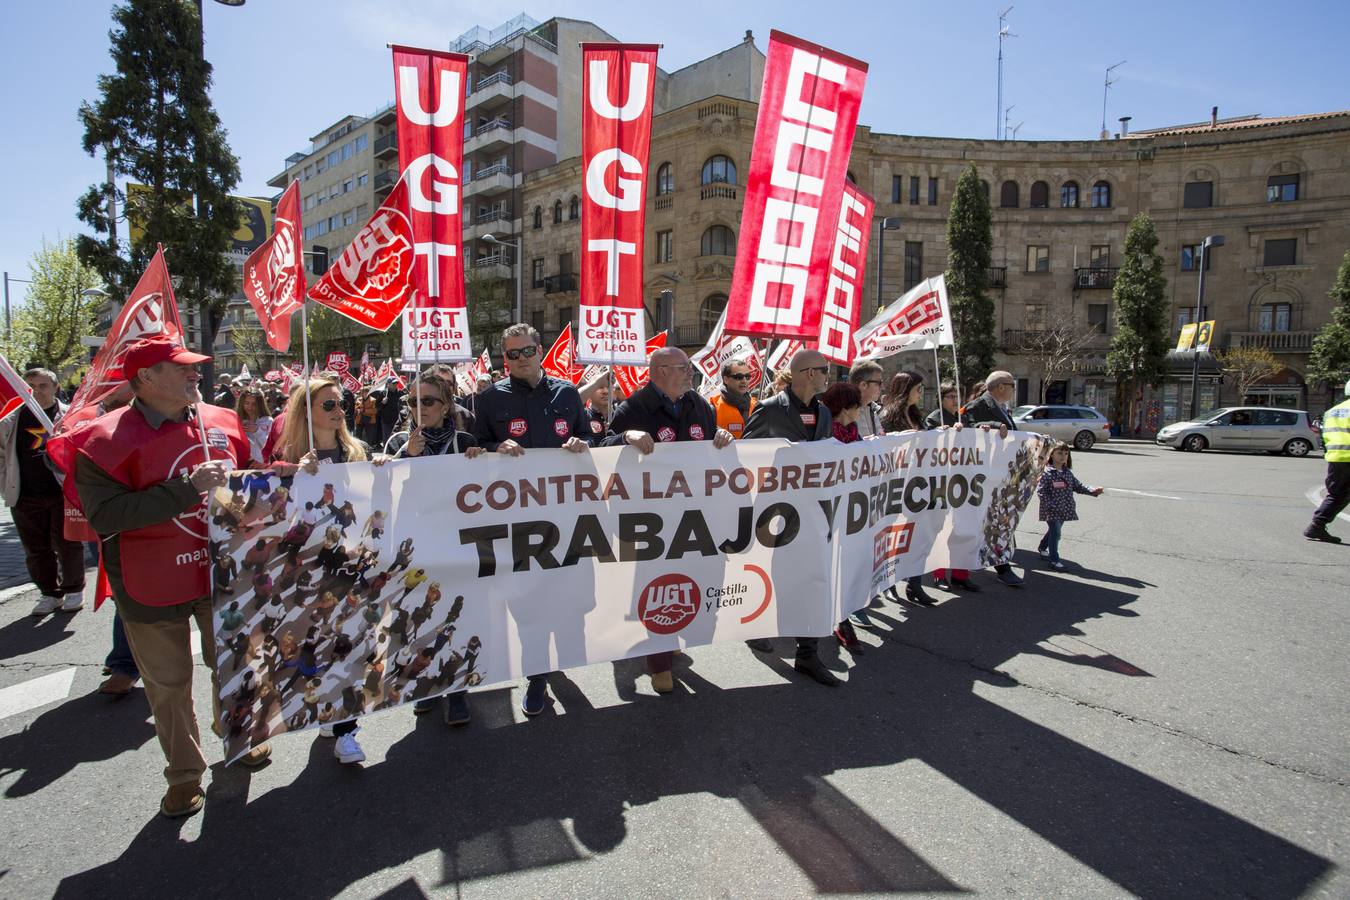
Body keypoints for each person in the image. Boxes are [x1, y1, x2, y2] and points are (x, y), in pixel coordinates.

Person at [71, 337, 278, 818]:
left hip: (221, 574)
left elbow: (252, 479)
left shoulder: (224, 423)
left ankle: (239, 735)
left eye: (193, 367)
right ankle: (184, 774)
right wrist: (186, 489)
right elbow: (107, 516)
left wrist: (289, 473)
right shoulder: (101, 441)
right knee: (168, 686)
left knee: (231, 664)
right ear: (145, 378)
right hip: (150, 584)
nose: (195, 374)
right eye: (181, 367)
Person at [471, 323, 591, 716]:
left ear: (540, 350)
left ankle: (559, 660)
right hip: (517, 521)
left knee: (566, 596)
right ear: (504, 358)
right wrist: (492, 447)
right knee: (529, 602)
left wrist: (580, 443)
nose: (520, 359)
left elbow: (589, 440)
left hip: (566, 517)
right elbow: (472, 451)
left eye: (527, 351)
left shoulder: (568, 393)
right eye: (512, 354)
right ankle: (536, 676)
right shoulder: (488, 400)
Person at [603, 347, 734, 693]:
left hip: (693, 517)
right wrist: (623, 438)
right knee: (658, 587)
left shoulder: (700, 406)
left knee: (688, 581)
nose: (690, 374)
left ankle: (672, 638)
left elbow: (711, 447)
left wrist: (721, 437)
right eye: (683, 368)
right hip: (654, 523)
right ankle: (659, 661)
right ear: (660, 371)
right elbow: (602, 448)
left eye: (689, 368)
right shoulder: (633, 408)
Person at [276, 374, 387, 764]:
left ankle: (346, 730)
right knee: (318, 647)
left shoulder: (357, 453)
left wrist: (382, 470)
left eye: (342, 403)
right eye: (329, 405)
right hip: (312, 574)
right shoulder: (287, 458)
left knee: (354, 646)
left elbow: (376, 504)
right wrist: (292, 478)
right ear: (305, 413)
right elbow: (274, 520)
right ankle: (328, 707)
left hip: (355, 568)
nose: (339, 411)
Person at [742, 349, 840, 687]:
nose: (829, 375)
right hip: (777, 513)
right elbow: (747, 455)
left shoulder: (824, 412)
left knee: (812, 577)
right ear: (809, 373)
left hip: (814, 512)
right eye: (824, 370)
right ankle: (757, 628)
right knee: (777, 578)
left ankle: (807, 653)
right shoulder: (770, 410)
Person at [1, 367, 86, 618]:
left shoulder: (70, 416)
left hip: (61, 492)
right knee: (36, 549)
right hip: (25, 495)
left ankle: (73, 589)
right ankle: (49, 592)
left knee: (68, 542)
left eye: (43, 386)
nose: (37, 392)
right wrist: (7, 484)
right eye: (31, 387)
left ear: (55, 388)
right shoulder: (10, 420)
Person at [879, 371, 939, 606]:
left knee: (919, 535)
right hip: (897, 484)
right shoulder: (887, 416)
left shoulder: (916, 415)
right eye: (917, 388)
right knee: (895, 536)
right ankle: (889, 582)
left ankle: (915, 584)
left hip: (919, 484)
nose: (920, 393)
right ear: (905, 389)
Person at [820, 381, 871, 644]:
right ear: (846, 407)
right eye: (857, 405)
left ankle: (843, 616)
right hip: (828, 510)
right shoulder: (826, 434)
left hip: (851, 510)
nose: (861, 410)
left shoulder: (854, 434)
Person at [960, 371, 1021, 587]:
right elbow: (969, 429)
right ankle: (998, 565)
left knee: (1001, 520)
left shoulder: (1003, 408)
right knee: (989, 520)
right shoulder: (977, 405)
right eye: (1012, 385)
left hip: (1002, 473)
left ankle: (1002, 562)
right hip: (984, 474)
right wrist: (994, 427)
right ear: (1001, 387)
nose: (1014, 389)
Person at [926, 381, 978, 592]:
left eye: (957, 397)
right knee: (942, 529)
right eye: (950, 397)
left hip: (964, 479)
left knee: (964, 528)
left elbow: (976, 437)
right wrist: (943, 432)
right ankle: (939, 574)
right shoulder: (933, 418)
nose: (955, 401)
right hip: (943, 479)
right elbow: (929, 443)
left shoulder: (964, 417)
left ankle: (960, 573)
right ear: (941, 398)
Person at [1036, 441, 1103, 567]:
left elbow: (1078, 486)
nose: (1063, 456)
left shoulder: (1067, 473)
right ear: (1051, 454)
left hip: (1065, 508)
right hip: (1051, 510)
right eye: (1060, 453)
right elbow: (1041, 492)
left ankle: (1042, 547)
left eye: (1066, 453)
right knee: (1056, 533)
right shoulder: (1047, 473)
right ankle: (1054, 560)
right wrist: (1051, 505)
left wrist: (1092, 490)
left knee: (1053, 531)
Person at [1306, 378, 1350, 542]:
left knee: (1337, 494)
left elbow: (1325, 435)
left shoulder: (1333, 411)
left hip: (1336, 457)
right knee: (1340, 495)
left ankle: (1317, 525)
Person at [709, 358, 758, 439]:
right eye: (739, 377)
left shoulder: (757, 405)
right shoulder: (713, 407)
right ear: (726, 379)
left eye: (747, 376)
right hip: (725, 451)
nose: (744, 381)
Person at [234, 386, 273, 468]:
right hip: (242, 464)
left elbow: (269, 446)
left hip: (262, 465)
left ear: (260, 405)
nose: (250, 407)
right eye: (246, 403)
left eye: (254, 404)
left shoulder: (267, 420)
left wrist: (257, 431)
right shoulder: (236, 419)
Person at [848, 359, 886, 438]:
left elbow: (879, 438)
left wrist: (898, 436)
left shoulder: (875, 409)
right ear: (863, 385)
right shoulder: (844, 412)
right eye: (879, 383)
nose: (883, 387)